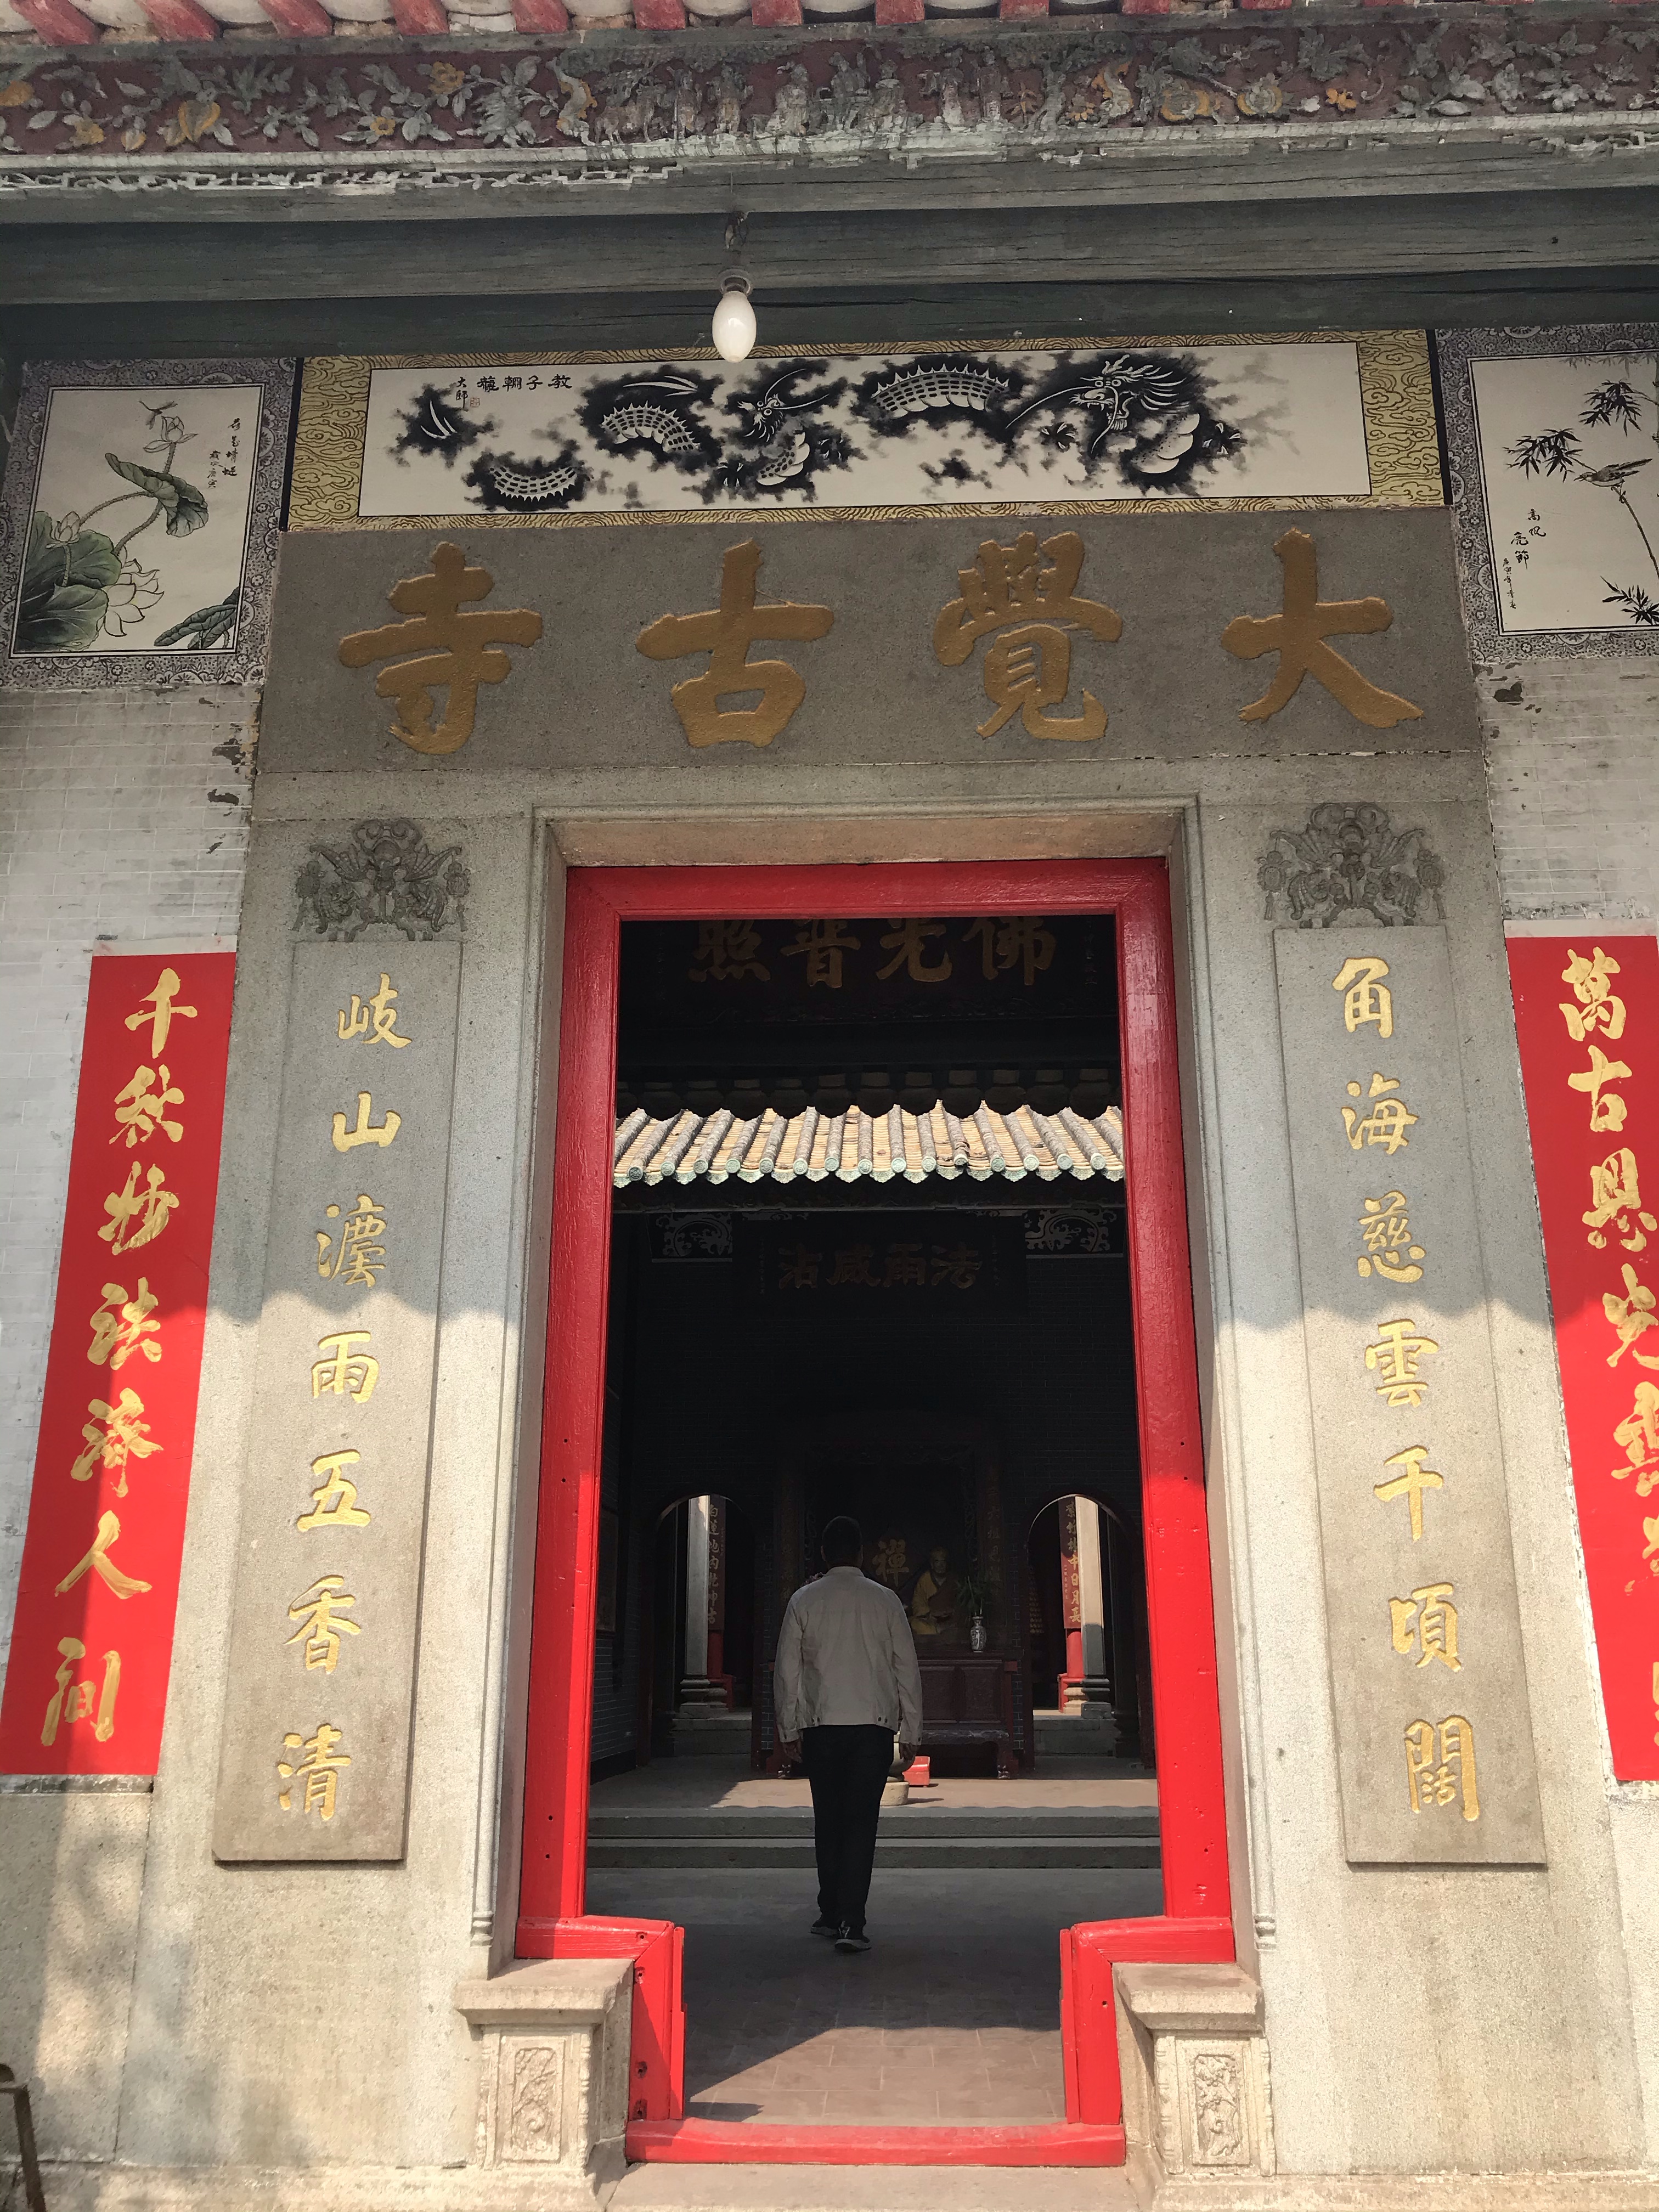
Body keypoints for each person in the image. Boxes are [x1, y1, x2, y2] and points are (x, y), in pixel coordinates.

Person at [773, 1514, 924, 1955]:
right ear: (861, 1554)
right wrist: (912, 1728)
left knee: (829, 1819)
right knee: (860, 1823)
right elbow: (906, 1668)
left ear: (824, 1554)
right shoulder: (886, 1601)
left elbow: (787, 1670)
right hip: (873, 1728)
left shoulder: (804, 1601)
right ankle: (850, 1922)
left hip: (821, 1726)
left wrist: (788, 1726)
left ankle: (829, 1910)